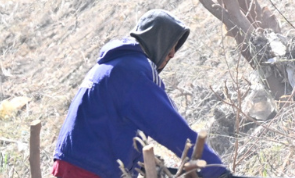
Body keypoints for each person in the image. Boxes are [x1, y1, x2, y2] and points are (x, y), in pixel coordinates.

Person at [53, 10, 229, 178]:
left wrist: (154, 169)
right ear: (156, 40)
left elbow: (112, 130)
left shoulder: (113, 66)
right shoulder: (133, 72)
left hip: (75, 164)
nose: (172, 54)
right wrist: (214, 169)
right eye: (170, 45)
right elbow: (169, 126)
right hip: (89, 170)